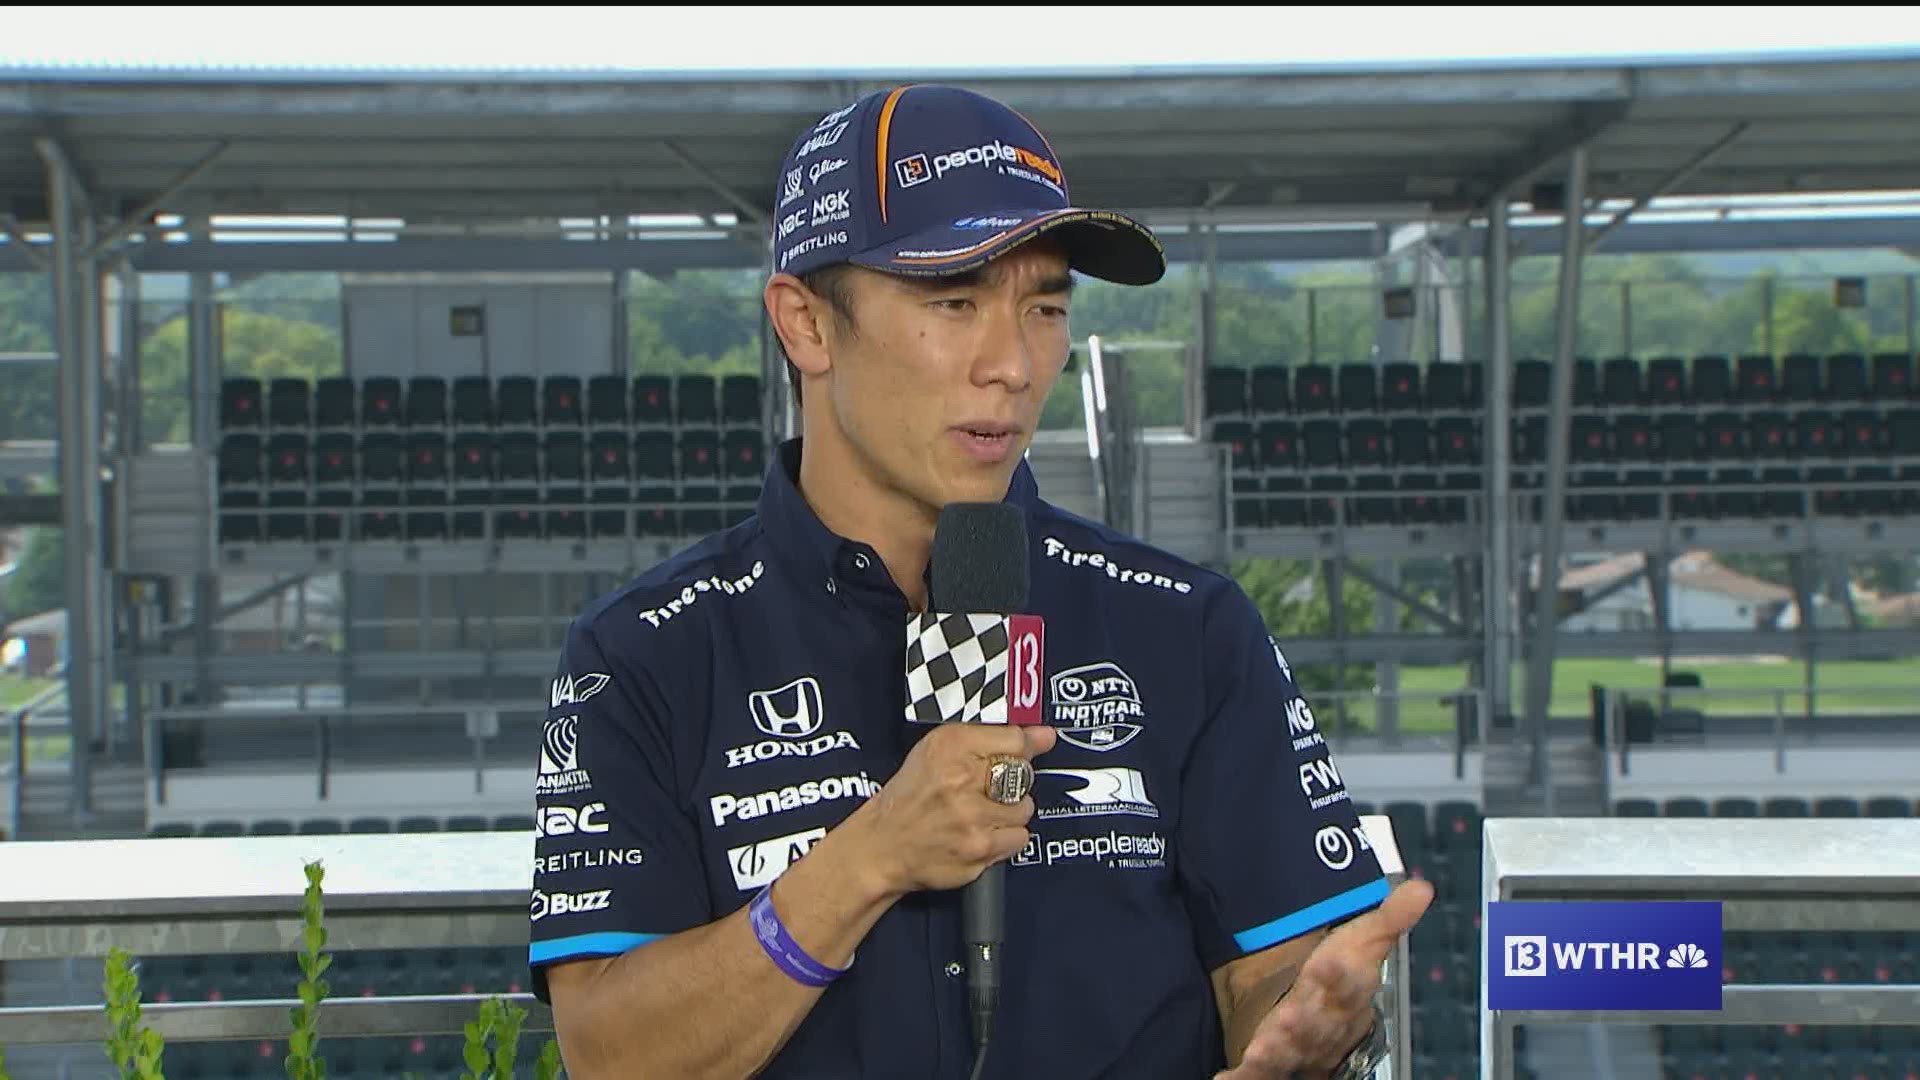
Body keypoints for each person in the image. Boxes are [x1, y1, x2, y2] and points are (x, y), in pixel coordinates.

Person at [528, 83, 1433, 1079]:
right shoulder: (646, 649)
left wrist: (1300, 1030)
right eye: (953, 301)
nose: (1012, 363)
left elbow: (1277, 970)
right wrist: (868, 859)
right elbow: (609, 1054)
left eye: (1043, 307)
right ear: (806, 325)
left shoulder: (1188, 626)